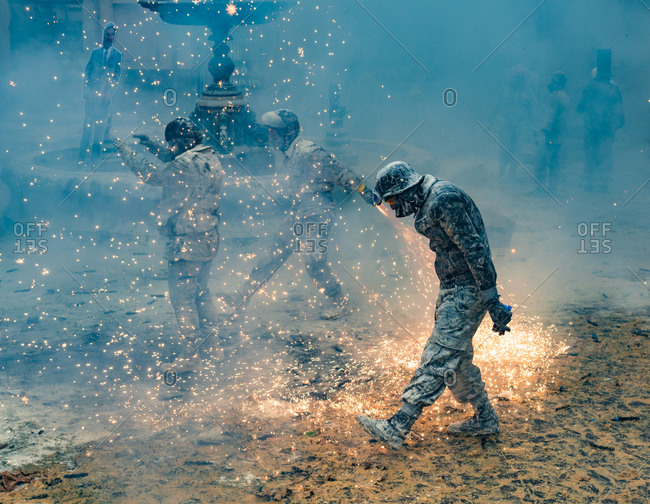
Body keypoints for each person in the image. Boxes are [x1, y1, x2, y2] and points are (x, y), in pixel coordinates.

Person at [357, 162, 512, 449]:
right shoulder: (428, 198)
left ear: (407, 191)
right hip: (454, 288)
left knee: (438, 356)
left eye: (393, 200)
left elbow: (475, 250)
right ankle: (485, 418)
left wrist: (492, 299)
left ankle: (398, 425)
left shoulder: (443, 199)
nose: (392, 208)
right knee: (457, 360)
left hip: (468, 290)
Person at [220, 109, 376, 320]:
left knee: (314, 262)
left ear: (288, 133)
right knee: (272, 255)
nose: (270, 136)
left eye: (274, 132)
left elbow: (342, 173)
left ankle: (338, 301)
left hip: (317, 215)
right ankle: (242, 296)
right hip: (299, 213)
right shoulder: (289, 153)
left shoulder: (309, 153)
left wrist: (364, 191)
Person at [117, 118, 224, 373]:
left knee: (183, 300)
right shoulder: (208, 156)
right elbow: (178, 163)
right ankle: (213, 348)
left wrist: (124, 149)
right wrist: (154, 147)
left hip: (187, 242)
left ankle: (191, 356)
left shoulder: (184, 165)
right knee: (201, 293)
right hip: (208, 236)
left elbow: (152, 175)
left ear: (177, 143)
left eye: (171, 144)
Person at [576, 49, 624, 192]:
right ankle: (604, 185)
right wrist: (618, 124)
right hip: (607, 129)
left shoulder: (590, 88)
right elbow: (620, 111)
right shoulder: (614, 89)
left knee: (590, 154)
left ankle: (588, 184)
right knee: (606, 156)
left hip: (591, 127)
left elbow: (580, 107)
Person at [78, 22, 122, 165]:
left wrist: (109, 93)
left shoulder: (117, 55)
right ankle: (80, 161)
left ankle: (95, 163)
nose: (108, 37)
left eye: (111, 35)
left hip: (104, 100)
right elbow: (87, 73)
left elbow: (116, 77)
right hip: (91, 98)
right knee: (87, 130)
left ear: (114, 37)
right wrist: (87, 92)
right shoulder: (95, 53)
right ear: (103, 35)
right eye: (106, 34)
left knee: (99, 133)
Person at [534, 71, 570, 193]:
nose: (549, 84)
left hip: (550, 134)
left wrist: (543, 131)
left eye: (551, 81)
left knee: (542, 160)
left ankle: (540, 188)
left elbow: (550, 115)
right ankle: (553, 187)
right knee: (554, 162)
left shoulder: (555, 96)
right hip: (559, 134)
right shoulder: (564, 95)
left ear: (556, 82)